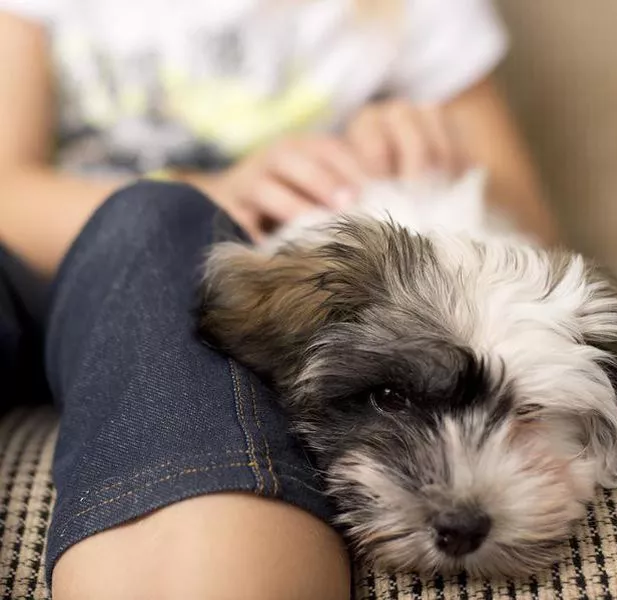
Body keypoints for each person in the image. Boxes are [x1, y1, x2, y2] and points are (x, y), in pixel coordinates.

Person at [0, 1, 559, 598]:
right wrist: (216, 192)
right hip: (38, 264)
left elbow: (532, 233)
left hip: (191, 290)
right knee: (162, 213)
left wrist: (430, 155)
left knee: (163, 228)